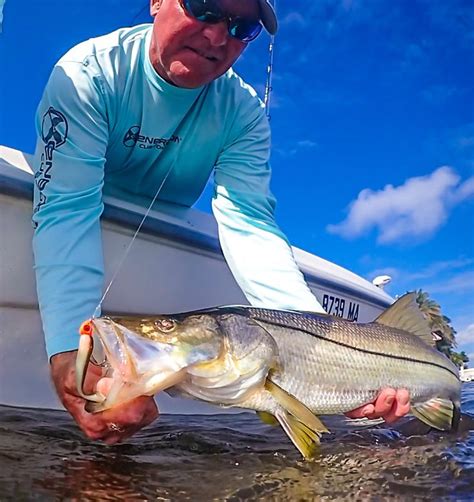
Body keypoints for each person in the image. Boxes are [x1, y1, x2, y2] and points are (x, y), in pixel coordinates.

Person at [32, 0, 410, 444]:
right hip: (84, 220)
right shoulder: (87, 74)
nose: (216, 37)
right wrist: (65, 346)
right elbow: (67, 206)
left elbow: (248, 220)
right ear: (156, 2)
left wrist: (322, 350)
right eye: (205, 8)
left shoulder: (243, 112)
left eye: (242, 27)